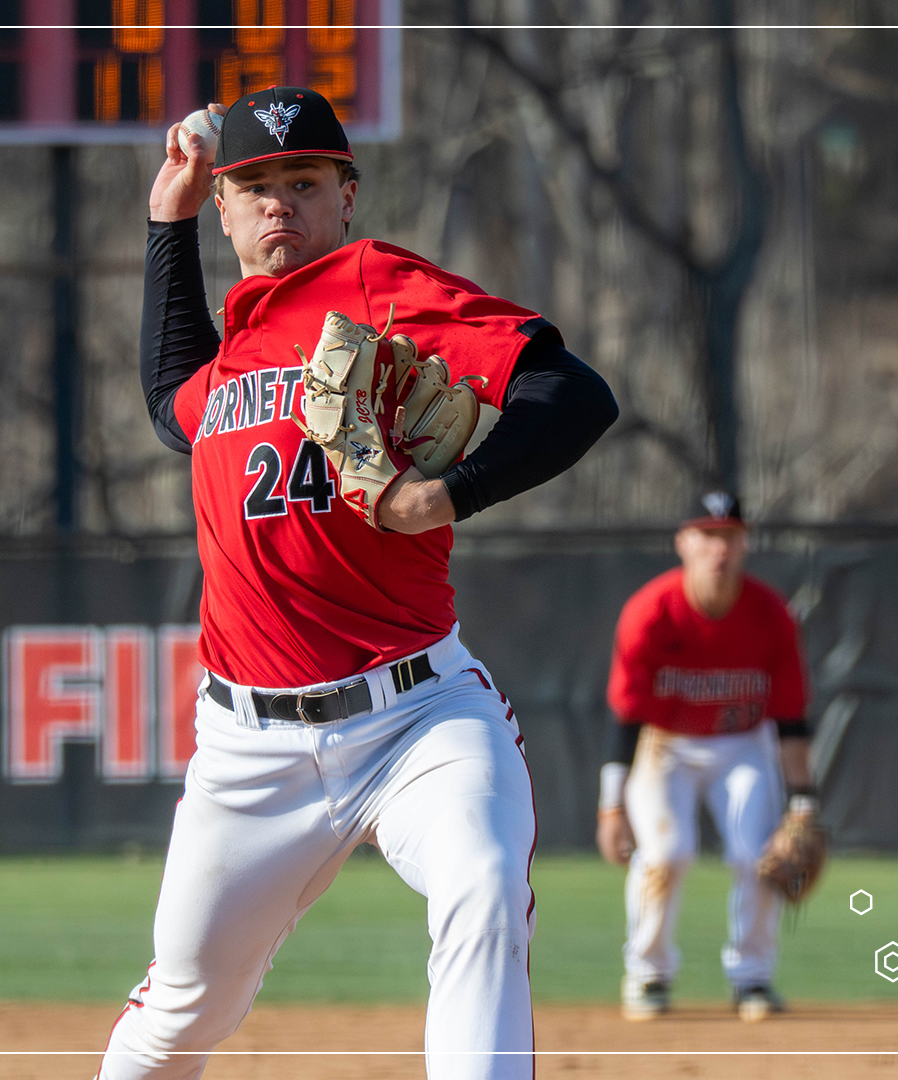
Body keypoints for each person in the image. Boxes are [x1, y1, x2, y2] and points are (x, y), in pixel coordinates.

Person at [101, 87, 617, 1079]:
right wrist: (167, 225)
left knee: (481, 882)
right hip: (246, 750)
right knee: (181, 1012)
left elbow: (573, 394)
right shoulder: (240, 340)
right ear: (226, 206)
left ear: (347, 196)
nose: (278, 205)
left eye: (303, 182)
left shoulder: (380, 286)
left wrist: (448, 494)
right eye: (253, 186)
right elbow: (176, 407)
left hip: (416, 718)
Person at [597, 491, 814, 1022]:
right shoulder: (651, 611)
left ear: (745, 544)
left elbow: (790, 717)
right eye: (708, 535)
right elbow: (626, 718)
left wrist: (804, 802)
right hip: (663, 745)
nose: (719, 548)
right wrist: (611, 808)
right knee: (666, 855)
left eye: (730, 536)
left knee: (757, 855)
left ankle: (753, 980)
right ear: (684, 543)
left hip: (742, 743)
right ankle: (648, 976)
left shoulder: (768, 613)